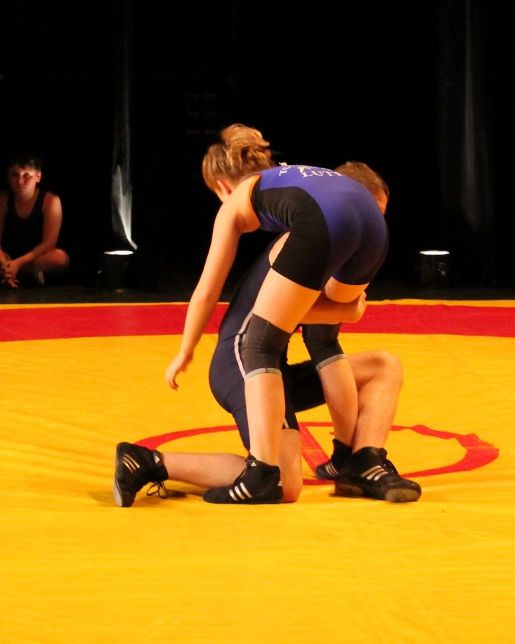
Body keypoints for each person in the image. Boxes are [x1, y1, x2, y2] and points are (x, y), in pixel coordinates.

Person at [127, 137, 418, 504]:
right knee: (286, 480)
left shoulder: (305, 233)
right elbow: (300, 328)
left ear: (222, 186)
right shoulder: (309, 234)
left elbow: (210, 292)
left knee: (377, 366)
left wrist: (185, 350)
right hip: (240, 366)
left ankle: (358, 461)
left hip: (269, 371)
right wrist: (347, 311)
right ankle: (149, 462)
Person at [0, 154, 69, 287]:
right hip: (6, 256)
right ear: (8, 177)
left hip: (33, 259)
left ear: (38, 177)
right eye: (15, 175)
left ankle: (4, 273)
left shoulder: (50, 201)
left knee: (60, 258)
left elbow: (49, 244)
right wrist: (4, 263)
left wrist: (18, 263)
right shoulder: (3, 198)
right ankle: (15, 274)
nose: (20, 181)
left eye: (26, 175)